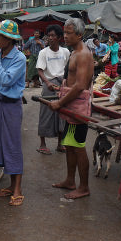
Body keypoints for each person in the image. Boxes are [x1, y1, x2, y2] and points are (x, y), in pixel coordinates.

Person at [49, 18, 94, 200]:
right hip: (71, 105)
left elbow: (81, 85)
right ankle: (70, 180)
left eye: (69, 33)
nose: (64, 36)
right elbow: (73, 81)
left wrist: (59, 103)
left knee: (78, 146)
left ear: (80, 35)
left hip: (78, 108)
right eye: (64, 33)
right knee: (69, 144)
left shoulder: (83, 54)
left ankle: (83, 187)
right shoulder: (74, 52)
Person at [0, 20, 26, 206]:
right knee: (2, 145)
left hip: (11, 106)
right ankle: (11, 186)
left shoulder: (19, 58)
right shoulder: (1, 53)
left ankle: (17, 188)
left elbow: (6, 80)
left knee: (12, 146)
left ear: (9, 40)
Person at [36, 24, 70, 155]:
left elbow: (67, 69)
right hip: (48, 85)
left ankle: (60, 144)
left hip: (62, 85)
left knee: (61, 114)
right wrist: (47, 82)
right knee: (45, 113)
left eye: (53, 35)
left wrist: (65, 83)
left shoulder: (65, 52)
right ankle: (42, 144)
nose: (50, 38)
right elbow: (40, 70)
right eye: (48, 35)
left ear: (59, 38)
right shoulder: (43, 52)